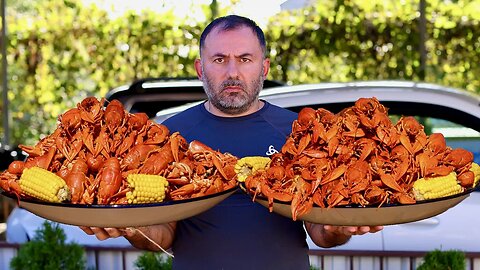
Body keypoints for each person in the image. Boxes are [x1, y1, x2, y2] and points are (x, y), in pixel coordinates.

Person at [81, 15, 383, 269]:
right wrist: (132, 227)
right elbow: (164, 233)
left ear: (263, 68)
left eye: (245, 59)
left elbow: (320, 231)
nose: (232, 72)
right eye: (219, 59)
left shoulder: (300, 131)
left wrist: (341, 227)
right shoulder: (168, 134)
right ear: (201, 69)